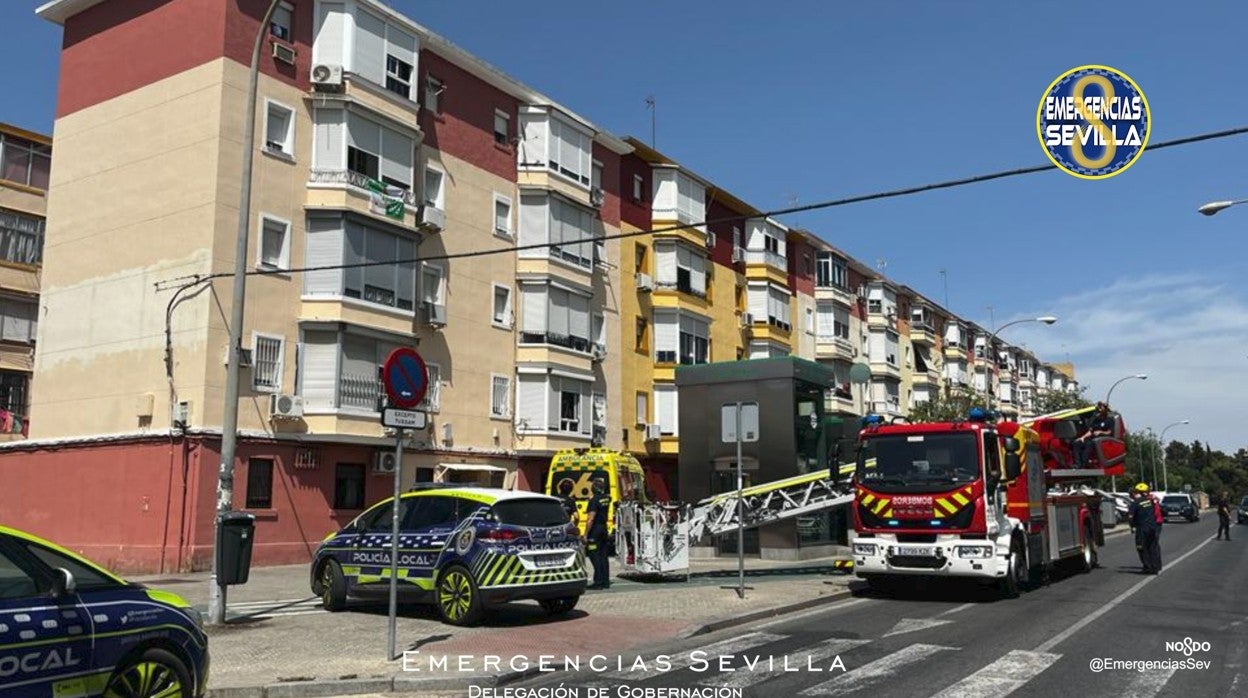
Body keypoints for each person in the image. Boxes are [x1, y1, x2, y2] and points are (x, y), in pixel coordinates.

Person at [1128, 482, 1164, 574]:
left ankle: (1147, 567)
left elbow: (1130, 517)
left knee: (1142, 548)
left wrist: (1132, 526)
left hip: (1142, 529)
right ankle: (1155, 567)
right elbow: (1159, 510)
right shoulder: (1151, 500)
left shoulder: (1135, 503)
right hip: (1153, 527)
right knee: (1153, 547)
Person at [583, 478, 612, 589]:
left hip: (595, 531)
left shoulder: (594, 501)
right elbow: (608, 497)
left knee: (594, 555)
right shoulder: (607, 498)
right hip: (604, 529)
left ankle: (598, 582)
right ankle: (605, 581)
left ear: (593, 489)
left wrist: (585, 534)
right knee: (603, 555)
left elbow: (590, 519)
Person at [1074, 402, 1116, 467]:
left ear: (1105, 409)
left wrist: (1101, 432)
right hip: (1092, 438)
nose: (1099, 408)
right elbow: (1091, 431)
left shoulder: (1109, 420)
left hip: (1101, 441)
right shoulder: (1096, 419)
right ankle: (1077, 464)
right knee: (1077, 443)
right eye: (1099, 406)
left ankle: (1083, 464)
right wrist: (1083, 437)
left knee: (1089, 444)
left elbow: (1110, 432)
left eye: (1101, 407)